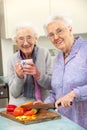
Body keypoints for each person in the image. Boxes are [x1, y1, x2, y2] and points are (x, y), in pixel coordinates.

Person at [44, 15, 87, 129]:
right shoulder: (58, 58)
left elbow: (71, 93)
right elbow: (56, 92)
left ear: (70, 29)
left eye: (59, 31)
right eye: (51, 35)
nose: (56, 37)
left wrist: (75, 94)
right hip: (64, 124)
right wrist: (45, 104)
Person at [7, 22, 52, 106]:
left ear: (36, 39)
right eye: (21, 39)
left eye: (29, 37)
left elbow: (51, 85)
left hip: (42, 105)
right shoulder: (12, 60)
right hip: (20, 107)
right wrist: (19, 77)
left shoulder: (44, 53)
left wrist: (38, 75)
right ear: (16, 42)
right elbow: (14, 93)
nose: (25, 43)